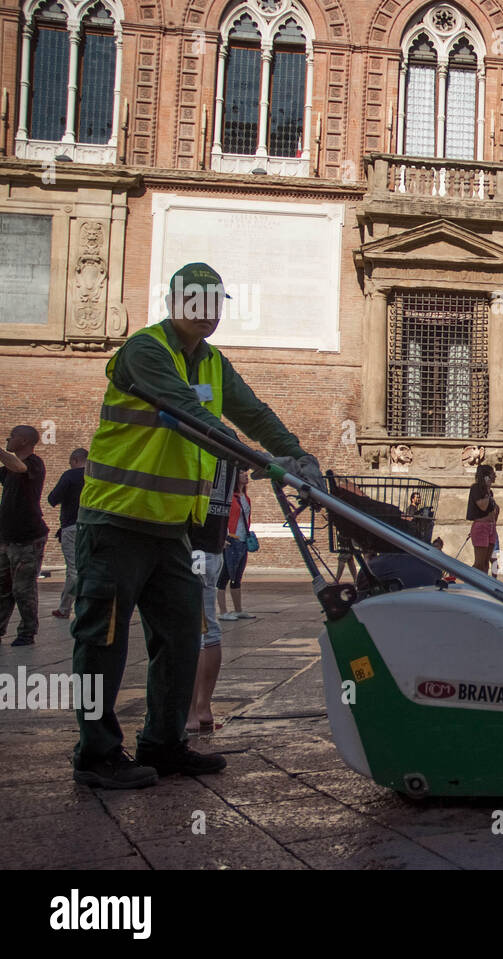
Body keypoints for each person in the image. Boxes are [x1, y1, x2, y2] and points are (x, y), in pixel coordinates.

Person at [72, 261, 325, 789]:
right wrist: (264, 463)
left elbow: (251, 412)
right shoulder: (145, 352)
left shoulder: (212, 362)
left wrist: (296, 454)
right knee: (104, 639)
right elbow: (189, 416)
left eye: (214, 304)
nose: (205, 314)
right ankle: (96, 753)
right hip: (117, 521)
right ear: (174, 302)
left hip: (171, 532)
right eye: (195, 302)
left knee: (183, 636)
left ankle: (164, 744)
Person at [187, 458, 236, 734]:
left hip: (192, 545)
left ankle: (189, 712)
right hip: (214, 547)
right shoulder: (227, 441)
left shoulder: (194, 434)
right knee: (209, 627)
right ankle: (204, 708)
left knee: (190, 630)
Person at [0, 425, 48, 646]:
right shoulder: (8, 468)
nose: (8, 439)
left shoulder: (34, 463)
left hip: (28, 537)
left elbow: (19, 468)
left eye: (12, 436)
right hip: (6, 538)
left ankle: (27, 632)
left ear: (24, 441)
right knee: (3, 587)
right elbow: (10, 467)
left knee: (23, 588)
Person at [46, 448, 87, 620]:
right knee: (84, 566)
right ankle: (65, 606)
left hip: (71, 526)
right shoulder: (95, 476)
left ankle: (78, 608)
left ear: (75, 460)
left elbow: (52, 498)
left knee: (73, 569)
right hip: (90, 526)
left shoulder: (70, 476)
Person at [217, 470, 254, 621]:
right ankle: (223, 611)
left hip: (243, 540)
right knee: (225, 575)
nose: (246, 475)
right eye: (242, 473)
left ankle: (238, 609)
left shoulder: (246, 498)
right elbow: (223, 519)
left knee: (237, 576)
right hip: (231, 539)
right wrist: (223, 537)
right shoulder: (231, 498)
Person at [466, 464, 498, 573]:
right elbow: (483, 507)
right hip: (481, 528)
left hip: (491, 528)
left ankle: (483, 587)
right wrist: (488, 492)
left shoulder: (490, 492)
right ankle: (469, 582)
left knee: (485, 563)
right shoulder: (476, 488)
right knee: (479, 563)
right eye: (492, 474)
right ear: (486, 476)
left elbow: (494, 510)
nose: (495, 476)